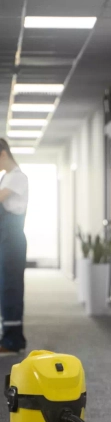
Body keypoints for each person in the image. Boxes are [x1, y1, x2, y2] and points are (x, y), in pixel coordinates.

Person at [0, 139, 28, 355]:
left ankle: (13, 341)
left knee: (11, 288)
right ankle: (8, 336)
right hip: (5, 240)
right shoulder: (5, 177)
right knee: (4, 288)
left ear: (3, 154)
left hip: (13, 241)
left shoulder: (18, 177)